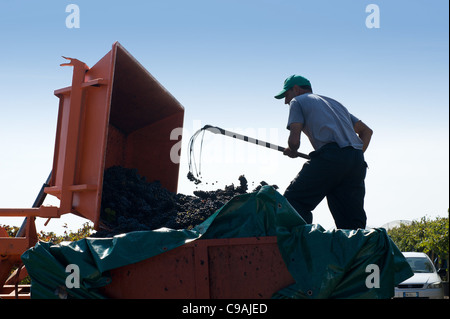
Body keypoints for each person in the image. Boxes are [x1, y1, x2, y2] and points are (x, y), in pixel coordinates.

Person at [274, 74, 373, 230]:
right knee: (351, 222)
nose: (286, 101)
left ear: (295, 89)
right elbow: (367, 131)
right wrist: (351, 157)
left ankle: (302, 248)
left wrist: (292, 150)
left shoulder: (297, 101)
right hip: (356, 162)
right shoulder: (334, 104)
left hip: (330, 158)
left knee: (294, 202)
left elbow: (294, 142)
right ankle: (358, 253)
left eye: (286, 95)